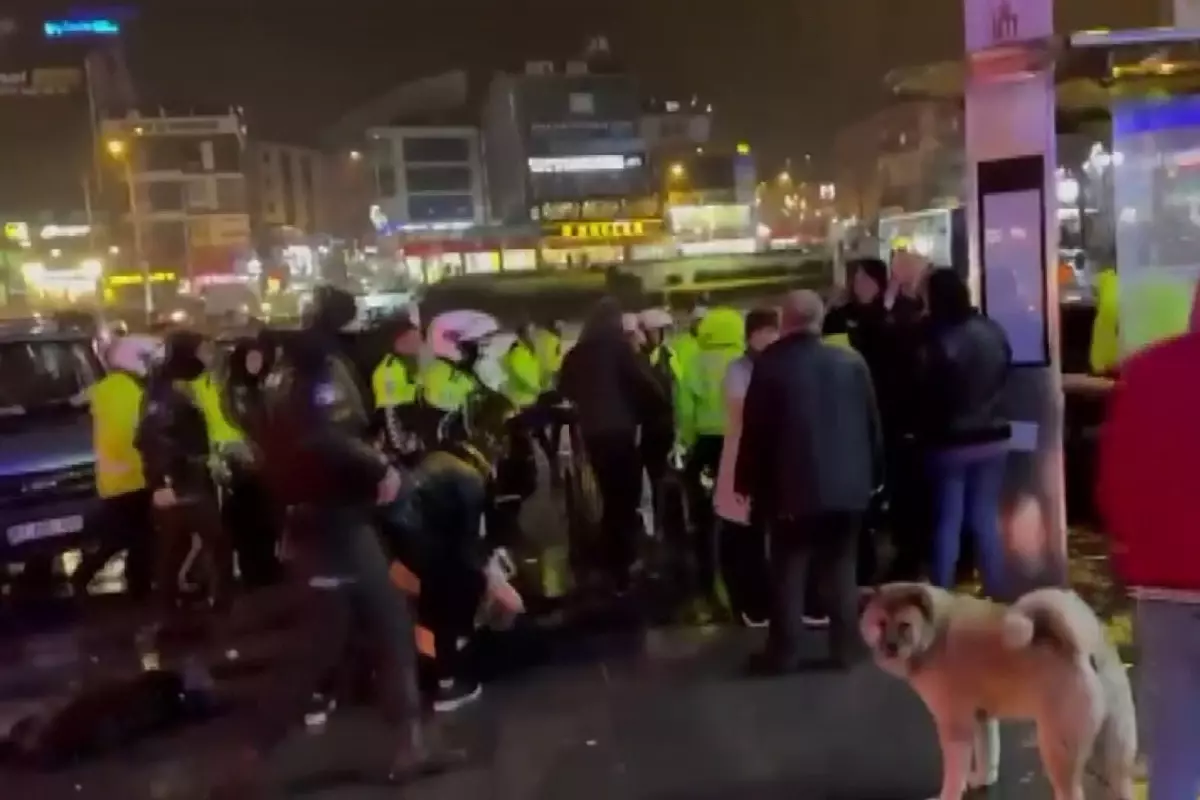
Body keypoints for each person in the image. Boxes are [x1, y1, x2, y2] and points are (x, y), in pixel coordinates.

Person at [216, 284, 459, 796]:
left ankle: (248, 757)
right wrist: (378, 468)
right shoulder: (317, 370)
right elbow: (325, 437)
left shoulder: (286, 371)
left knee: (321, 647)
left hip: (317, 521)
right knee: (387, 628)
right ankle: (408, 747)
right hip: (335, 525)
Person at [735, 290, 882, 673]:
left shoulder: (770, 365)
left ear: (785, 321)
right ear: (819, 320)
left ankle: (785, 652)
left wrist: (746, 481)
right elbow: (871, 425)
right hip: (848, 487)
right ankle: (847, 648)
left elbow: (755, 431)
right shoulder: (852, 363)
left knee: (788, 568)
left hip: (790, 489)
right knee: (841, 569)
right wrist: (875, 477)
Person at [1097, 280, 1200, 800]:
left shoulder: (1146, 371)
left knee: (1177, 739)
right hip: (1164, 578)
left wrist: (1129, 548)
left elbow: (1115, 477)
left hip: (1163, 585)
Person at [559, 297, 670, 592]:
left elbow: (562, 391)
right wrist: (651, 412)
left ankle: (610, 559)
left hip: (591, 437)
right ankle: (620, 564)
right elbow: (646, 386)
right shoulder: (620, 350)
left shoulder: (575, 354)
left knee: (608, 497)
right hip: (621, 434)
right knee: (625, 498)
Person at [919, 268, 1012, 598]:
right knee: (985, 517)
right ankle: (997, 593)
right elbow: (1005, 372)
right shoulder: (992, 329)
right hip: (995, 435)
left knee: (948, 520)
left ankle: (941, 593)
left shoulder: (937, 336)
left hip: (952, 440)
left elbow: (929, 390)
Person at [136, 330, 235, 618]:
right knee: (210, 543)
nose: (208, 356)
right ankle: (213, 606)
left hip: (193, 477)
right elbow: (152, 440)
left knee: (180, 546)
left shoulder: (183, 386)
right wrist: (161, 482)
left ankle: (176, 605)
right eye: (202, 350)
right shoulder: (165, 392)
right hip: (181, 481)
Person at [71, 335, 159, 600]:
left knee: (135, 537)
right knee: (130, 537)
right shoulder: (130, 392)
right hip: (133, 477)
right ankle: (92, 577)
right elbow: (134, 433)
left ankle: (137, 586)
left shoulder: (107, 389)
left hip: (116, 479)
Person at [676, 306, 745, 620]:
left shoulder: (695, 362)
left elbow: (684, 408)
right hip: (741, 443)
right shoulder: (745, 361)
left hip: (706, 444)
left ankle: (706, 561)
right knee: (744, 509)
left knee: (705, 512)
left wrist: (690, 443)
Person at [712, 307, 778, 628]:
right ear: (752, 335)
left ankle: (766, 600)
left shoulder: (776, 365)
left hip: (771, 463)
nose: (772, 338)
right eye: (766, 331)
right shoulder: (738, 369)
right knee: (746, 535)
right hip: (744, 461)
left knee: (768, 534)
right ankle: (752, 604)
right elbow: (742, 414)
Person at [221, 334, 282, 588]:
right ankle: (253, 571)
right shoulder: (234, 391)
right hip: (245, 467)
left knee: (266, 519)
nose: (256, 363)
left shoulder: (260, 387)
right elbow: (236, 424)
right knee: (249, 522)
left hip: (266, 463)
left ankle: (267, 566)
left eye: (259, 358)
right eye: (251, 358)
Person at [371, 315, 426, 462]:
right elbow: (389, 416)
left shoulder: (408, 364)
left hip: (412, 440)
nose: (420, 344)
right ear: (399, 341)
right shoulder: (389, 371)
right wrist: (403, 449)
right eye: (414, 339)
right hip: (400, 452)